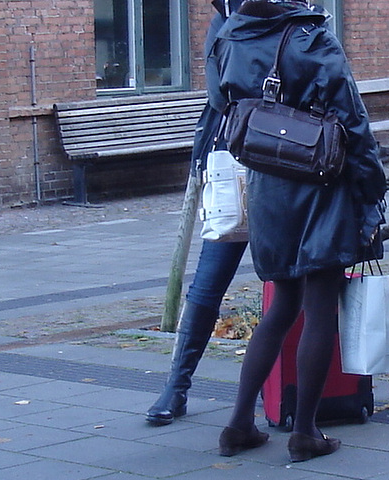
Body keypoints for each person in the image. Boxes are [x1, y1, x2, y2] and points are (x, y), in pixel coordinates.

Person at [208, 0, 386, 462]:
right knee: (320, 308)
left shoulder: (230, 36)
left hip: (267, 182)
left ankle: (238, 424)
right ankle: (305, 431)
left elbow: (221, 105)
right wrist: (371, 189)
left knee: (283, 305)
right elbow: (352, 120)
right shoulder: (312, 36)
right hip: (319, 180)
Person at [145, 0, 247, 427]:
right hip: (232, 160)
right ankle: (177, 385)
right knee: (208, 283)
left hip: (285, 164)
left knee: (294, 285)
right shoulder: (225, 22)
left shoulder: (289, 18)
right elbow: (220, 93)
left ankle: (299, 391)